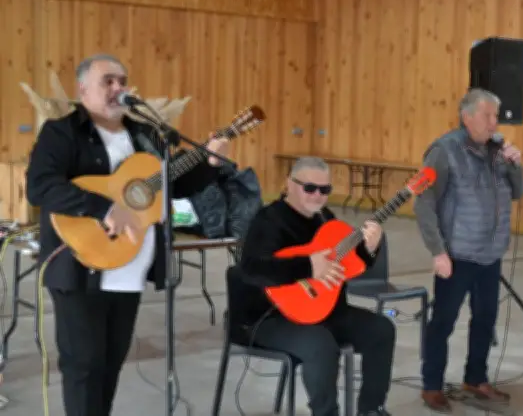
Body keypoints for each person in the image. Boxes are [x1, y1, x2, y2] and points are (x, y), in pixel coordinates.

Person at [25, 53, 230, 416]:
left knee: (109, 365)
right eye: (108, 81)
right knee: (84, 366)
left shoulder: (145, 134)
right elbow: (40, 187)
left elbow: (172, 184)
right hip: (81, 266)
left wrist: (210, 163)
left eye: (122, 80)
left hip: (130, 270)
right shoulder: (62, 132)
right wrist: (103, 207)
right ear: (82, 88)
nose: (118, 87)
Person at [236, 156, 396, 416]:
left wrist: (369, 250)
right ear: (289, 184)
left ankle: (371, 409)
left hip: (325, 311)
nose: (317, 196)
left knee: (381, 329)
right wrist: (308, 267)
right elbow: (252, 269)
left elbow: (351, 266)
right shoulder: (268, 221)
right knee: (320, 344)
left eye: (325, 190)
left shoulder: (326, 219)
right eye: (309, 188)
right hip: (270, 317)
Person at [413, 88, 523, 413]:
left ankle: (475, 378)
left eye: (496, 116)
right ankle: (431, 385)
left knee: (486, 318)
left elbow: (517, 192)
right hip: (456, 254)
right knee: (444, 322)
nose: (495, 123)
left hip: (490, 253)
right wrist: (437, 251)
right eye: (488, 116)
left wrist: (516, 164)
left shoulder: (498, 149)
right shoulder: (443, 151)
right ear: (468, 117)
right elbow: (423, 202)